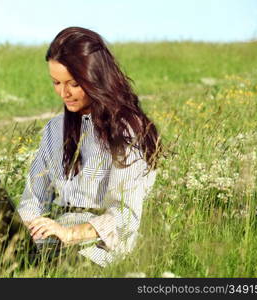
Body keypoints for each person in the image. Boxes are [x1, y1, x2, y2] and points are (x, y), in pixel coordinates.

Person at [17, 26, 161, 268]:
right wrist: (17, 232)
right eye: (56, 82)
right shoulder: (55, 129)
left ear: (93, 77)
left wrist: (71, 234)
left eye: (73, 83)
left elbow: (126, 215)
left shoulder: (127, 130)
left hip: (106, 248)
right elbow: (34, 199)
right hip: (57, 241)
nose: (64, 93)